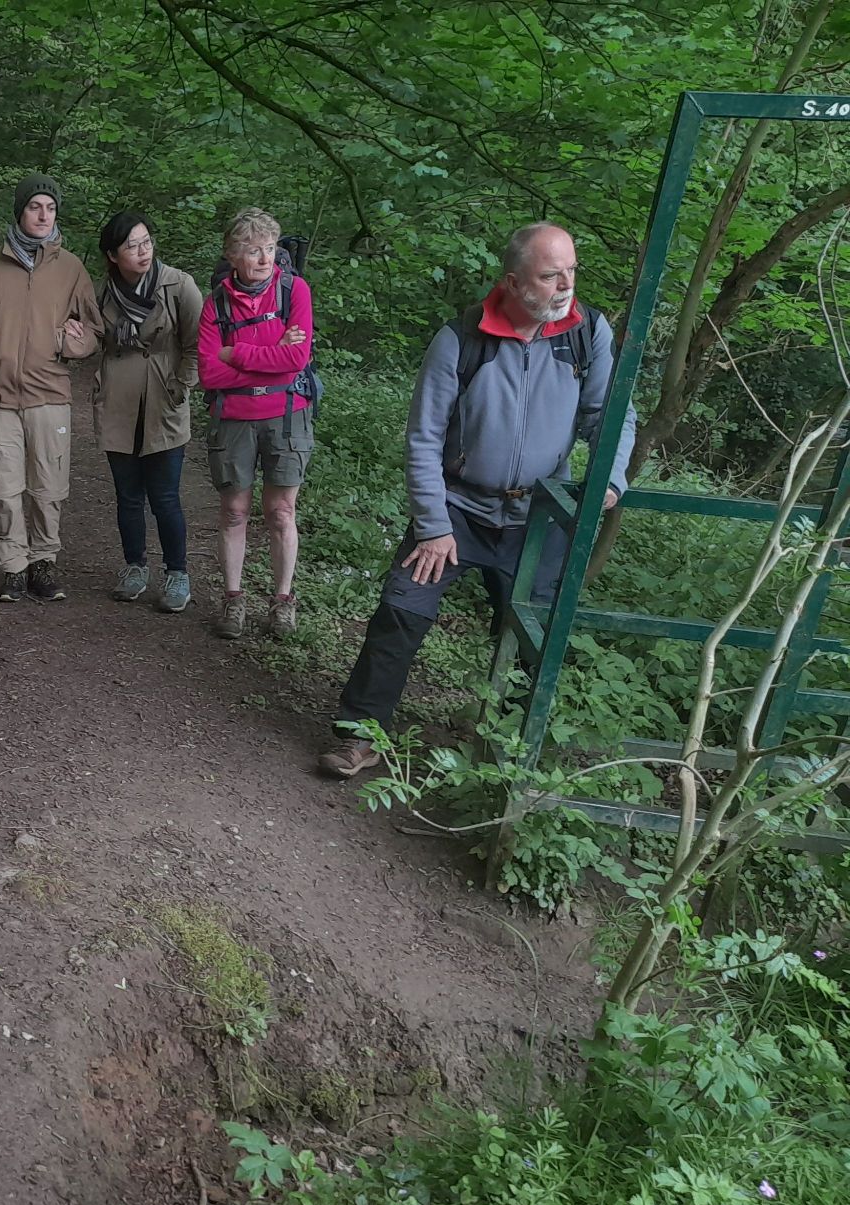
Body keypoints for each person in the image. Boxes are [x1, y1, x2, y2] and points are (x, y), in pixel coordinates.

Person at [320, 222, 638, 779]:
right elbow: (424, 437)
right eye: (551, 275)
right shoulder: (461, 338)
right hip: (459, 509)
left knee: (535, 634)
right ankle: (360, 736)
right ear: (513, 282)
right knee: (402, 608)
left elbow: (611, 417)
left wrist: (609, 480)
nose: (566, 285)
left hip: (540, 514)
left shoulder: (587, 334)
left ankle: (511, 754)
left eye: (571, 270)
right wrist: (433, 524)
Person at [0, 173, 103, 602]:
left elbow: (94, 330)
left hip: (50, 395)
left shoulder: (70, 268)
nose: (43, 215)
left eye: (50, 208)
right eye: (35, 207)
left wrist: (67, 342)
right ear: (20, 211)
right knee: (4, 489)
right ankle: (13, 567)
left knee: (48, 489)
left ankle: (43, 562)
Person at [198, 207, 315, 639]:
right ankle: (233, 599)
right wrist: (271, 353)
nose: (265, 258)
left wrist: (236, 353)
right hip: (234, 418)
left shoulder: (294, 290)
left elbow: (295, 361)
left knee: (281, 512)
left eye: (270, 248)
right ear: (233, 255)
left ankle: (283, 602)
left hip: (286, 414)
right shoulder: (216, 303)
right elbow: (209, 373)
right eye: (253, 251)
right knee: (234, 511)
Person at [94, 211, 203, 612]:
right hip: (119, 401)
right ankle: (134, 566)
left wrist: (182, 386)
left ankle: (177, 572)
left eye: (146, 242)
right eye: (132, 246)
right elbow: (90, 340)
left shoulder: (179, 285)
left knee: (165, 496)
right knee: (127, 496)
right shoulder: (101, 294)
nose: (142, 251)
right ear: (113, 255)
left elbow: (197, 343)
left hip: (164, 398)